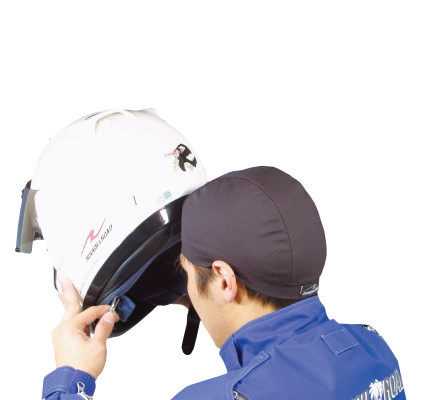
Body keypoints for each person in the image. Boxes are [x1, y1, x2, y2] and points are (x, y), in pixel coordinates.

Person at [42, 166, 406, 399]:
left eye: (186, 272)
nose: (187, 292)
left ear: (225, 280)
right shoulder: (374, 351)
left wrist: (70, 377)